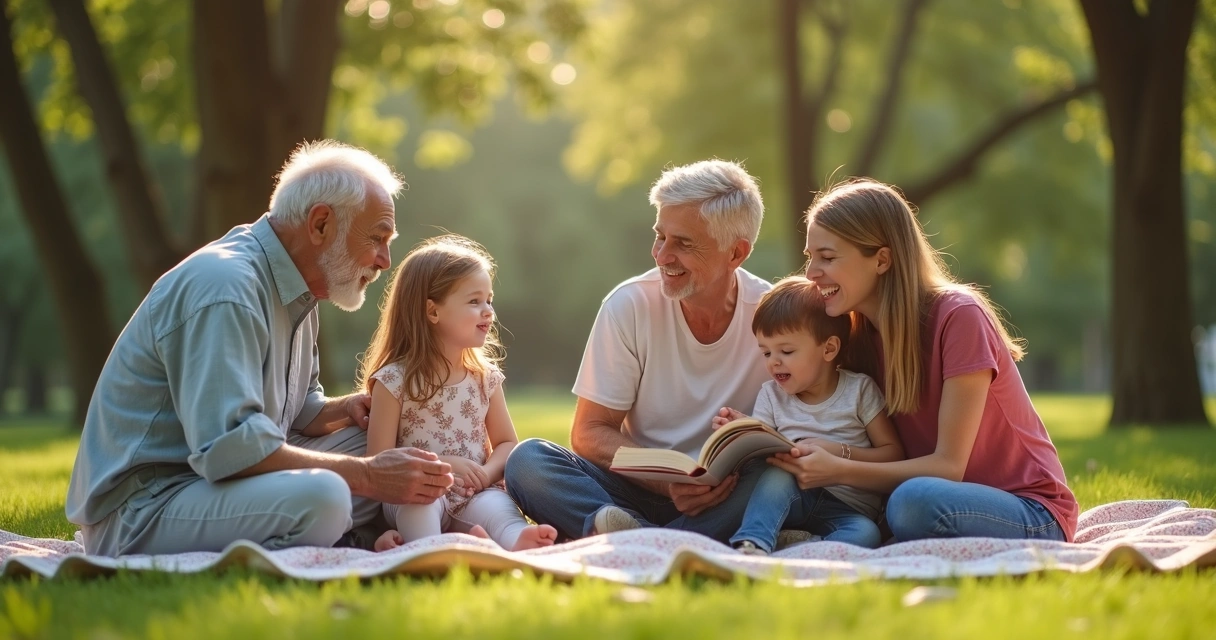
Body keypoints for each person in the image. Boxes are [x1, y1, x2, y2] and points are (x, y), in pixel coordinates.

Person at [66, 140, 457, 557]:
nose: (385, 260)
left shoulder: (301, 290)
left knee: (399, 444)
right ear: (321, 224)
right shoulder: (226, 289)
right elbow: (230, 447)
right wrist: (367, 477)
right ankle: (354, 536)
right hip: (146, 507)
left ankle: (401, 532)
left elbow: (299, 410)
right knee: (326, 496)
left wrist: (348, 409)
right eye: (378, 238)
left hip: (216, 484)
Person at [768, 178, 1079, 542]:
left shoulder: (959, 316)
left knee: (912, 503)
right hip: (931, 500)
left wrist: (839, 470)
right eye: (810, 257)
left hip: (1029, 510)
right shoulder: (855, 336)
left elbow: (949, 467)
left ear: (882, 259)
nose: (811, 273)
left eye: (828, 257)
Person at [504, 160, 773, 542]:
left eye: (683, 243)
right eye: (660, 236)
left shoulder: (772, 315)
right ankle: (678, 538)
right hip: (634, 489)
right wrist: (667, 482)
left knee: (771, 477)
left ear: (735, 253)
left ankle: (630, 536)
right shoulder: (628, 305)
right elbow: (590, 432)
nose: (661, 254)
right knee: (528, 462)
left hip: (725, 496)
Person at [359, 235, 557, 552]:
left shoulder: (485, 378)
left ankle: (514, 540)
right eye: (474, 301)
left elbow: (507, 442)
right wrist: (442, 465)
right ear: (433, 311)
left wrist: (486, 473)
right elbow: (378, 461)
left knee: (498, 507)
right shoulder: (394, 380)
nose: (488, 311)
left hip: (474, 492)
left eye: (489, 300)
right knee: (419, 506)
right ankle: (436, 549)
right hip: (418, 489)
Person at [715, 277, 904, 554]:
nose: (773, 361)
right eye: (766, 352)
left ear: (828, 349)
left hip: (847, 507)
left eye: (786, 351)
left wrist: (838, 452)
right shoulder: (771, 395)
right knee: (777, 476)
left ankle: (807, 553)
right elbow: (761, 459)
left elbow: (893, 455)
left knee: (867, 533)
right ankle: (752, 544)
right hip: (793, 496)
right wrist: (742, 432)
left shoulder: (859, 390)